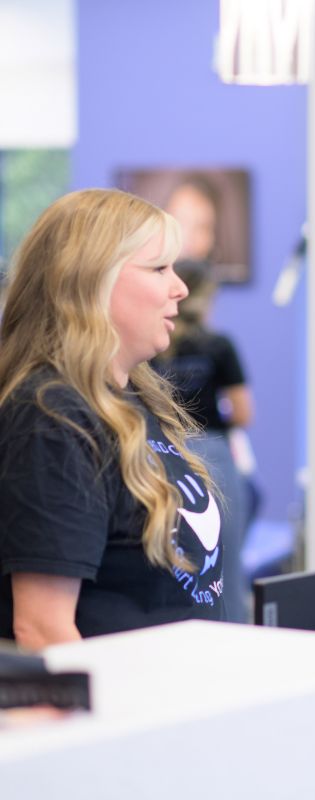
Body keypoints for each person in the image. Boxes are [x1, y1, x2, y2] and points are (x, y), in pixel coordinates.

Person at [0, 189, 226, 650]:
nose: (180, 287)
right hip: (125, 711)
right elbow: (44, 630)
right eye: (160, 268)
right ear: (92, 280)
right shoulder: (51, 416)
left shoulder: (131, 398)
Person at [152, 260, 253, 623]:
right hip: (211, 449)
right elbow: (243, 413)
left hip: (160, 451)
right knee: (225, 563)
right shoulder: (219, 345)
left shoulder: (156, 345)